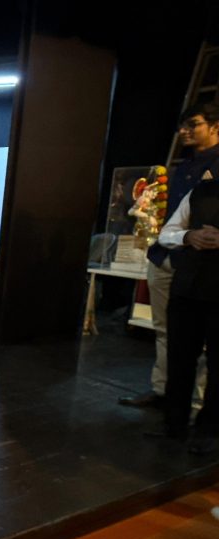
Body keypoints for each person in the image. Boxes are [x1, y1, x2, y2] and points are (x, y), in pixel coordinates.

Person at [122, 102, 219, 410]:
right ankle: (165, 390)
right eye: (182, 126)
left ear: (215, 126)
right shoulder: (184, 166)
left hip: (201, 265)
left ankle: (197, 401)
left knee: (201, 337)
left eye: (193, 124)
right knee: (165, 330)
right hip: (166, 254)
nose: (184, 131)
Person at [151, 178, 219, 454]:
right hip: (187, 289)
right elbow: (167, 233)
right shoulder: (200, 191)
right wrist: (188, 236)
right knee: (179, 359)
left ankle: (210, 431)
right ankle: (174, 425)